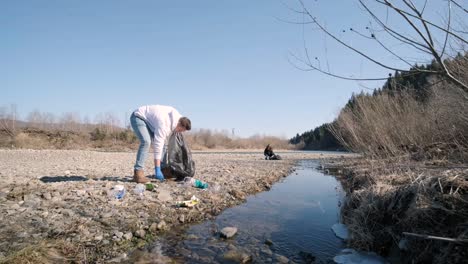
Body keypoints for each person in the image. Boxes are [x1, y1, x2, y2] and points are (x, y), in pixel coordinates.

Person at [130, 105, 191, 183]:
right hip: (138, 117)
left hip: (151, 122)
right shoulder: (164, 125)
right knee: (146, 142)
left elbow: (162, 143)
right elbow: (157, 147)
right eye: (180, 130)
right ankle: (138, 173)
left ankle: (164, 169)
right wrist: (157, 168)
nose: (179, 132)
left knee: (164, 144)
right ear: (179, 124)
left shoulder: (177, 118)